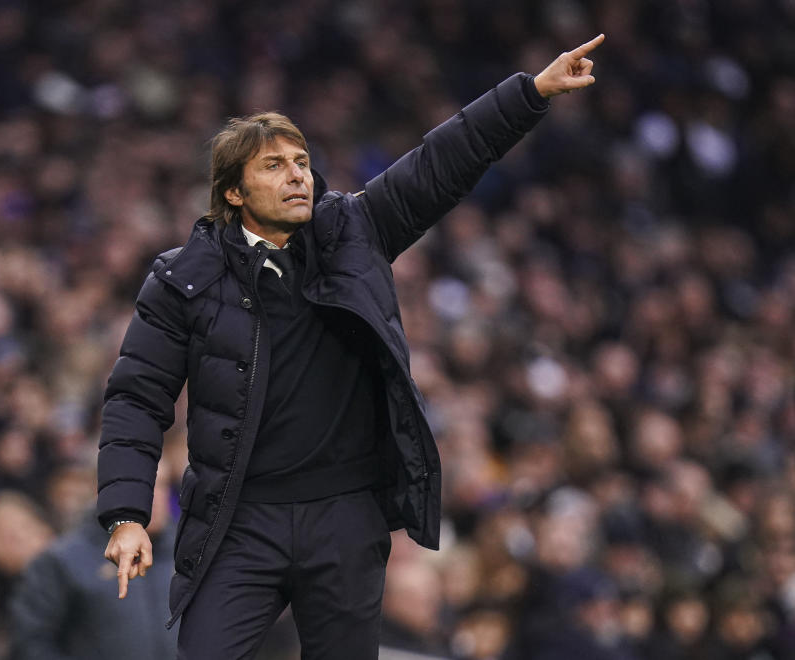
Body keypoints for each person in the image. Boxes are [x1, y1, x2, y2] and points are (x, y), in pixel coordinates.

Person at [97, 34, 606, 659]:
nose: (297, 176)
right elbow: (136, 398)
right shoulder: (182, 279)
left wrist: (529, 93)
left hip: (343, 515)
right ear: (233, 193)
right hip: (238, 518)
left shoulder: (354, 232)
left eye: (302, 162)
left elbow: (439, 162)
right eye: (274, 166)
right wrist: (126, 514)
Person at [8, 479, 177, 660]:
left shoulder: (187, 553)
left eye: (162, 485)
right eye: (142, 484)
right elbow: (31, 642)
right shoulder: (63, 560)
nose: (155, 496)